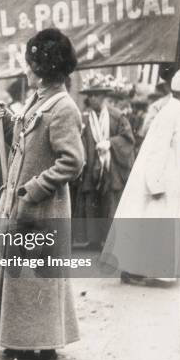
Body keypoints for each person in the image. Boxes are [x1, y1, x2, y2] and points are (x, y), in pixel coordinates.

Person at [0, 28, 84, 360]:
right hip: (19, 200)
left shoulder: (63, 106)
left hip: (43, 206)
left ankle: (43, 344)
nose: (26, 70)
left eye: (30, 64)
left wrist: (33, 190)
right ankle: (19, 339)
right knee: (19, 274)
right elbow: (25, 144)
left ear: (41, 68)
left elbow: (72, 161)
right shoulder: (38, 100)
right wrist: (4, 122)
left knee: (38, 274)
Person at [101, 69, 180, 285]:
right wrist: (155, 183)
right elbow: (158, 150)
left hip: (170, 175)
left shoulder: (175, 110)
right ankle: (137, 269)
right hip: (160, 177)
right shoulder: (171, 113)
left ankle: (147, 269)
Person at [73, 74, 135, 250]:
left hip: (111, 166)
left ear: (103, 96)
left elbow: (128, 139)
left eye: (96, 95)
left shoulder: (117, 117)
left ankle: (111, 241)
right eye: (90, 95)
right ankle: (94, 240)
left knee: (109, 201)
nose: (92, 98)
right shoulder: (84, 118)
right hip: (92, 164)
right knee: (91, 200)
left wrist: (111, 143)